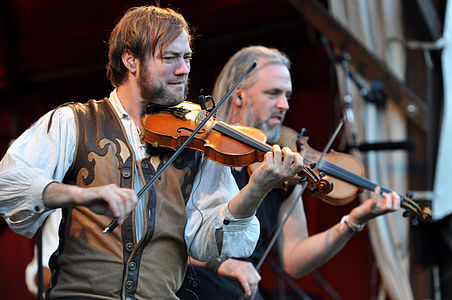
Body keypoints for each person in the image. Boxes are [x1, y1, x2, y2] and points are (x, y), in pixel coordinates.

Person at [0, 7, 305, 299]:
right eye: (170, 57)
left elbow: (211, 240)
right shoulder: (74, 121)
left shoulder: (199, 140)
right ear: (130, 60)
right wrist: (79, 196)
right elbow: (7, 183)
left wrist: (256, 188)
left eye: (186, 57)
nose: (184, 69)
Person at [176, 46, 401, 300]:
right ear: (239, 97)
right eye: (273, 93)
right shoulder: (197, 152)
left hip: (243, 290)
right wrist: (222, 264)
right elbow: (164, 239)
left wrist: (352, 222)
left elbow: (294, 258)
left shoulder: (282, 168)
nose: (284, 105)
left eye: (287, 95)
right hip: (192, 283)